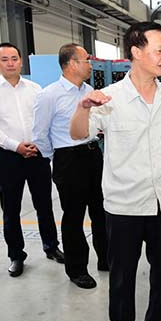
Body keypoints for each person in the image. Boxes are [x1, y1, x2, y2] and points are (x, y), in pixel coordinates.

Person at [69, 22, 161, 321]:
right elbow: (77, 134)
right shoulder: (110, 97)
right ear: (136, 52)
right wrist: (83, 107)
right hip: (124, 204)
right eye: (158, 50)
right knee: (122, 273)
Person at [0, 43, 64, 277]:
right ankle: (16, 255)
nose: (10, 63)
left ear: (21, 61)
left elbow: (44, 120)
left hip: (36, 154)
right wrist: (16, 146)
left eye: (14, 58)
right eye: (4, 59)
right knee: (11, 208)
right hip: (7, 157)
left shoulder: (35, 89)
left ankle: (51, 246)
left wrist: (38, 143)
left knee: (44, 204)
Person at [32, 44, 108, 289]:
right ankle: (77, 269)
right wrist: (58, 157)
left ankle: (106, 258)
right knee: (74, 217)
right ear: (72, 64)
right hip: (68, 159)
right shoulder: (49, 95)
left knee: (101, 211)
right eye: (86, 60)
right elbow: (40, 135)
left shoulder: (90, 91)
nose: (91, 65)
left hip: (94, 154)